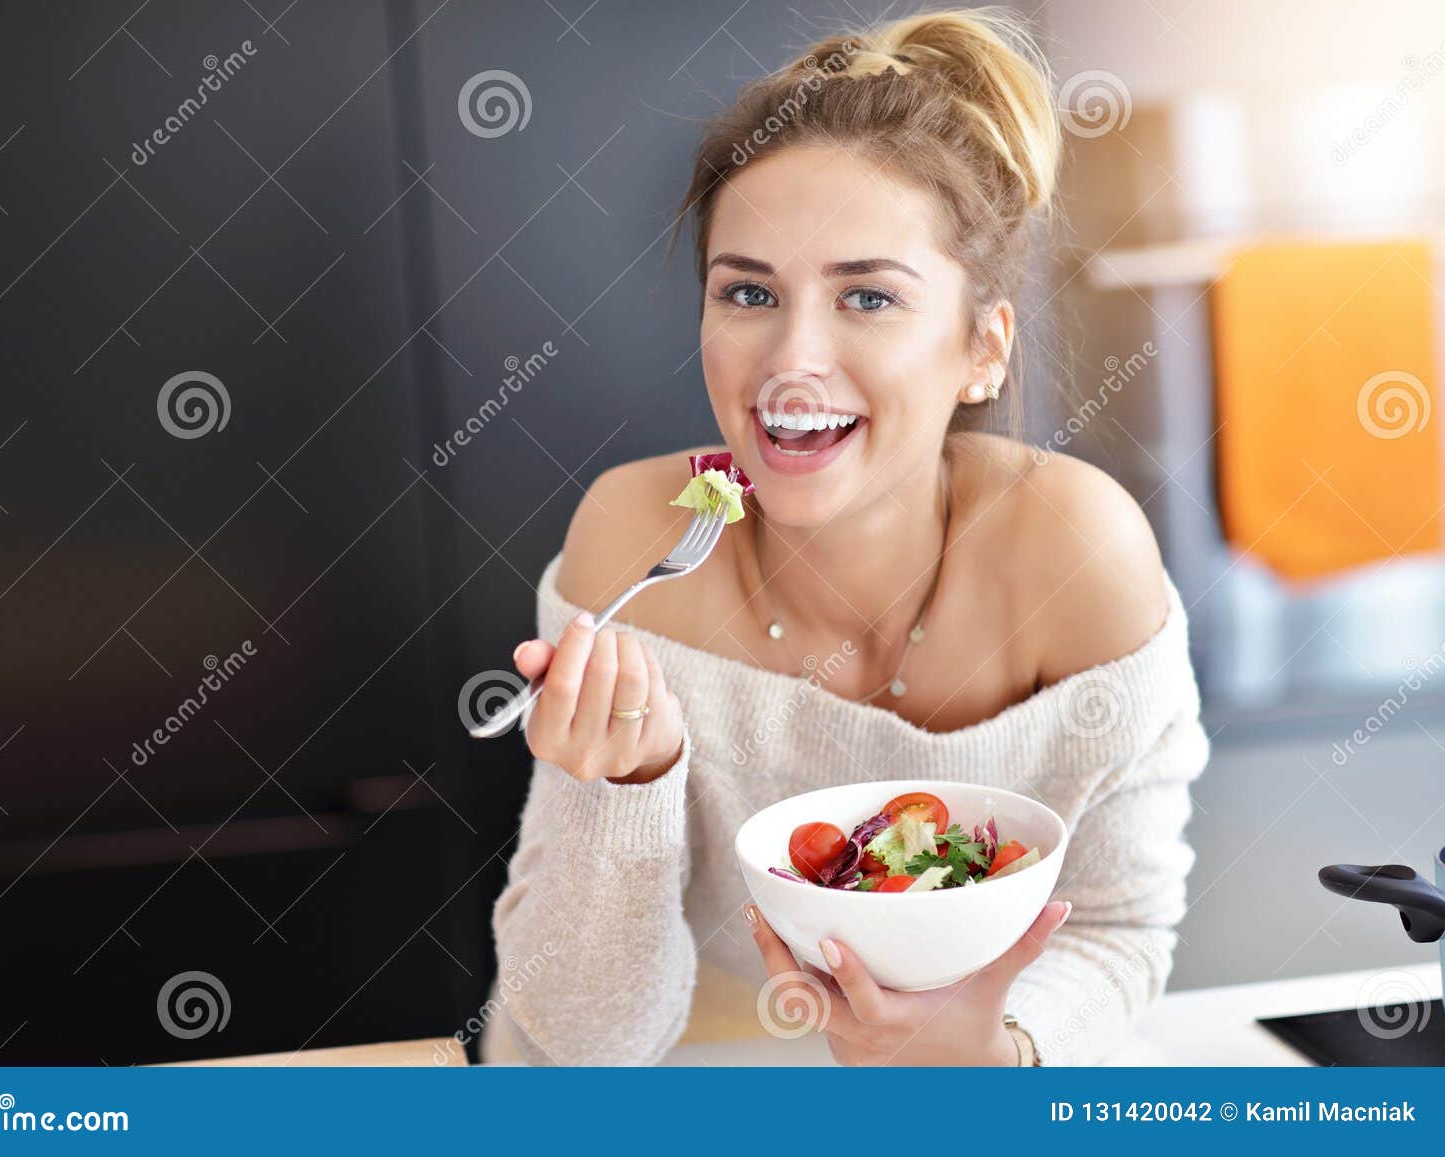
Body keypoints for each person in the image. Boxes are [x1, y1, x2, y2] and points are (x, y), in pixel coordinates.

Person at [482, 6, 1209, 1066]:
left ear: (981, 346)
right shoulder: (643, 543)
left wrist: (989, 1056)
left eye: (866, 295)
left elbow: (1115, 926)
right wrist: (620, 796)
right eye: (747, 291)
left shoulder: (1074, 552)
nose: (790, 359)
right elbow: (579, 1049)